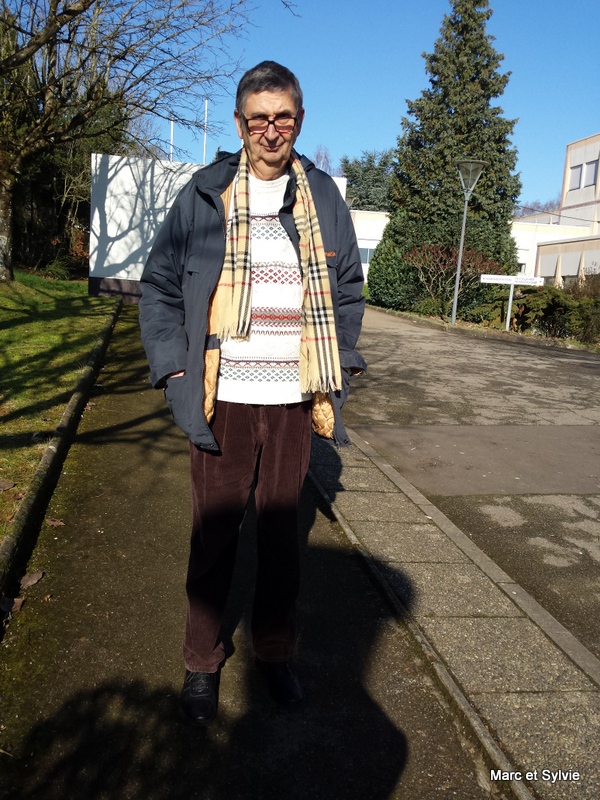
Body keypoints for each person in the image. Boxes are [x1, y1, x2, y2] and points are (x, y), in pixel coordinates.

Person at [139, 61, 366, 725]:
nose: (271, 130)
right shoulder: (204, 193)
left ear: (300, 120)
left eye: (283, 117)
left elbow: (347, 288)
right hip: (223, 398)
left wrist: (342, 362)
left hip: (294, 398)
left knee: (281, 541)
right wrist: (174, 372)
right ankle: (201, 661)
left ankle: (274, 652)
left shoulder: (322, 196)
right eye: (258, 118)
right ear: (240, 124)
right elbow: (159, 286)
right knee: (214, 538)